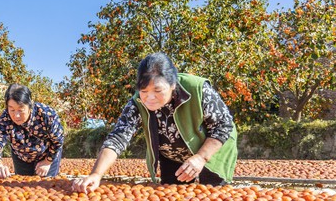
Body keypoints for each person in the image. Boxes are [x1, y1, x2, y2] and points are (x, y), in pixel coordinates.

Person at [73, 53, 237, 192]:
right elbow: (118, 138)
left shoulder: (197, 89)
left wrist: (201, 157)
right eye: (144, 91)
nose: (150, 98)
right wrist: (96, 174)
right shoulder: (137, 103)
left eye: (157, 91)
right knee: (171, 198)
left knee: (211, 197)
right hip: (172, 156)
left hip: (210, 151)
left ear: (172, 84)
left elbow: (223, 126)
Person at [0, 84, 65, 178]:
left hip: (47, 154)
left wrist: (47, 161)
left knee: (46, 185)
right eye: (12, 110)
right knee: (22, 184)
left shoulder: (46, 114)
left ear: (30, 106)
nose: (16, 115)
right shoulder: (5, 118)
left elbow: (58, 140)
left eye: (21, 110)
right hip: (21, 157)